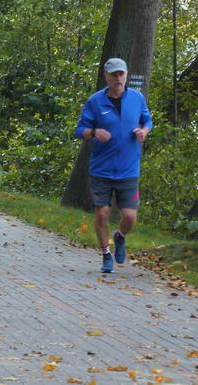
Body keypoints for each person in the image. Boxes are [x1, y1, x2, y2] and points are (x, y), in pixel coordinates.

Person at [75, 58, 152, 274]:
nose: (118, 78)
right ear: (106, 77)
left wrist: (144, 132)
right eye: (114, 75)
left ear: (126, 75)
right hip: (102, 169)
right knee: (102, 214)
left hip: (128, 169)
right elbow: (79, 129)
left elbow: (148, 121)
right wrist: (93, 132)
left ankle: (120, 237)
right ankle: (105, 254)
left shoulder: (137, 98)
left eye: (121, 74)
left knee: (129, 217)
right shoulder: (95, 101)